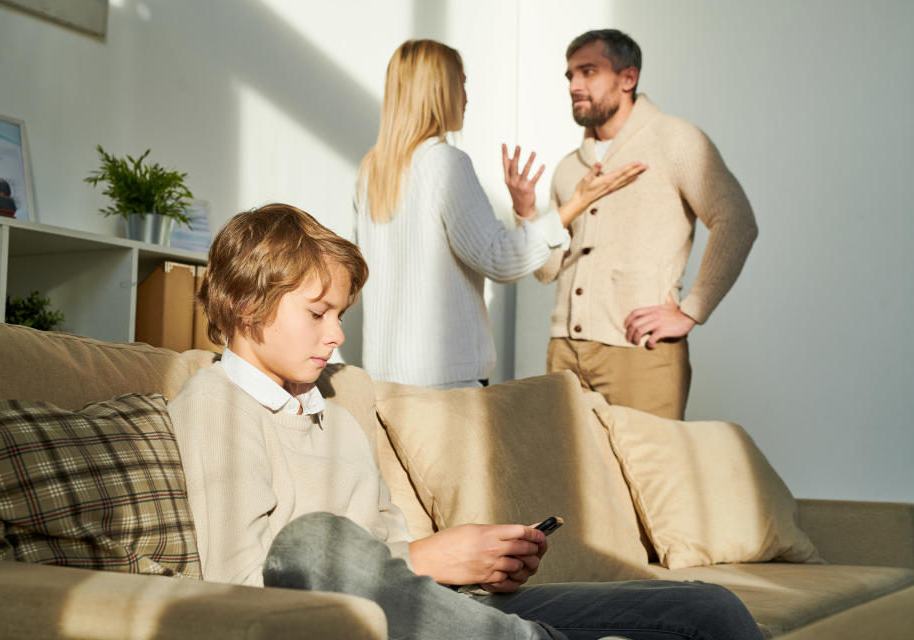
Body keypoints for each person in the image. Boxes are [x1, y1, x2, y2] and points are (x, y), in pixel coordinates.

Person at [168, 203, 764, 640]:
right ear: (248, 303)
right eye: (318, 312)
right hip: (340, 626)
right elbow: (239, 587)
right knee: (310, 542)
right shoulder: (217, 405)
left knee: (707, 610)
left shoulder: (337, 412)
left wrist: (472, 566)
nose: (338, 334)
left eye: (341, 313)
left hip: (429, 613)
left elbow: (394, 566)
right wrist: (423, 560)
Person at [354, 39, 646, 389]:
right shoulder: (444, 163)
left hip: (384, 382)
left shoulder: (370, 172)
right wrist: (574, 206)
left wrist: (525, 209)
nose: (466, 96)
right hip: (447, 385)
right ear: (440, 90)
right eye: (461, 82)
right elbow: (501, 260)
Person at [529, 29, 759, 419]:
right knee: (570, 479)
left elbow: (736, 221)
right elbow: (547, 272)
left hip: (640, 352)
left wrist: (691, 310)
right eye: (570, 75)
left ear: (628, 78)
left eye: (588, 72)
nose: (574, 86)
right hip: (564, 352)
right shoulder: (569, 168)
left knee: (648, 477)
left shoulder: (676, 140)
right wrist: (527, 215)